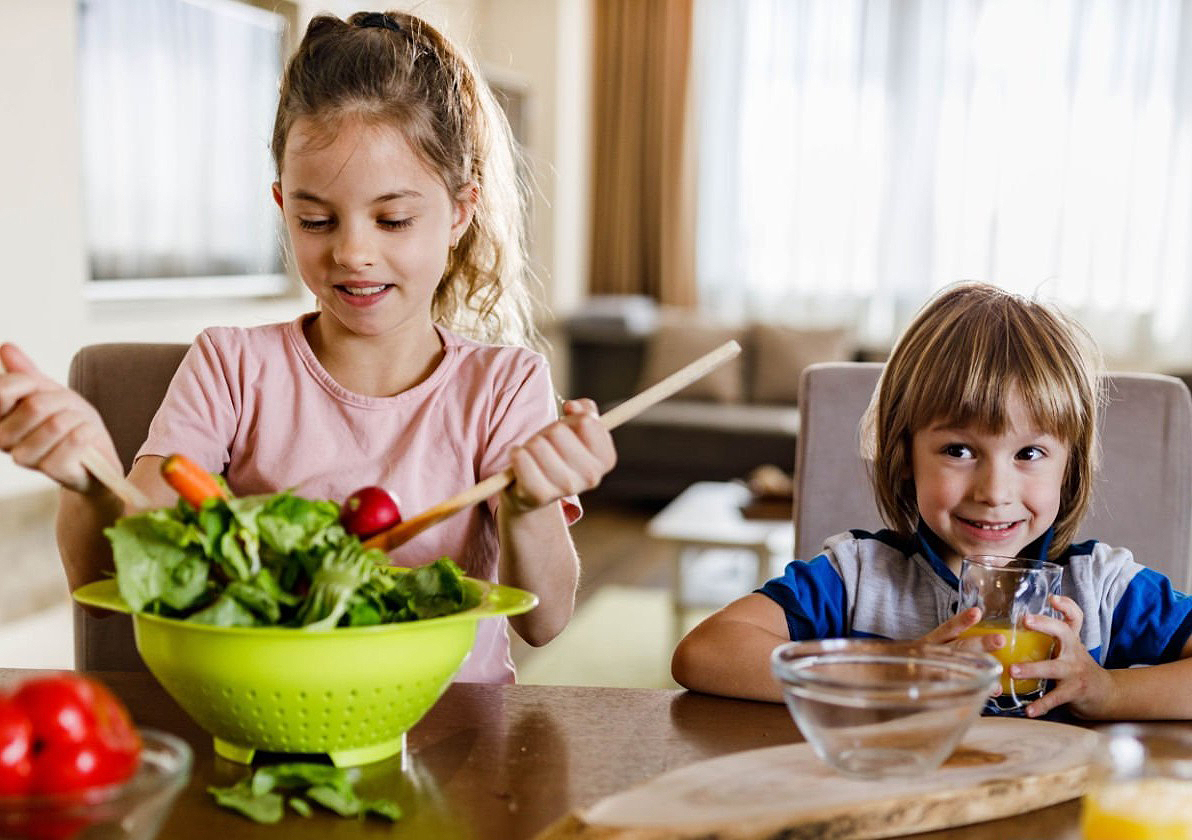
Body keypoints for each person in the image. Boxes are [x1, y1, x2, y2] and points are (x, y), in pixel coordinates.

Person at [0, 10, 617, 684]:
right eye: (315, 219)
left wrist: (528, 508)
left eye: (394, 219)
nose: (352, 252)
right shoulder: (230, 365)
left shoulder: (505, 385)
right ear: (281, 205)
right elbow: (112, 583)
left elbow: (546, 619)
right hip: (261, 717)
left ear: (460, 210)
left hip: (453, 735)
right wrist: (89, 479)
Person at [672, 282, 1192, 720]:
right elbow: (705, 653)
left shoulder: (1103, 589)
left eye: (1029, 452)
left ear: (1070, 467)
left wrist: (1107, 690)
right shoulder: (858, 578)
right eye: (959, 450)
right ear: (903, 457)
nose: (994, 491)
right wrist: (903, 668)